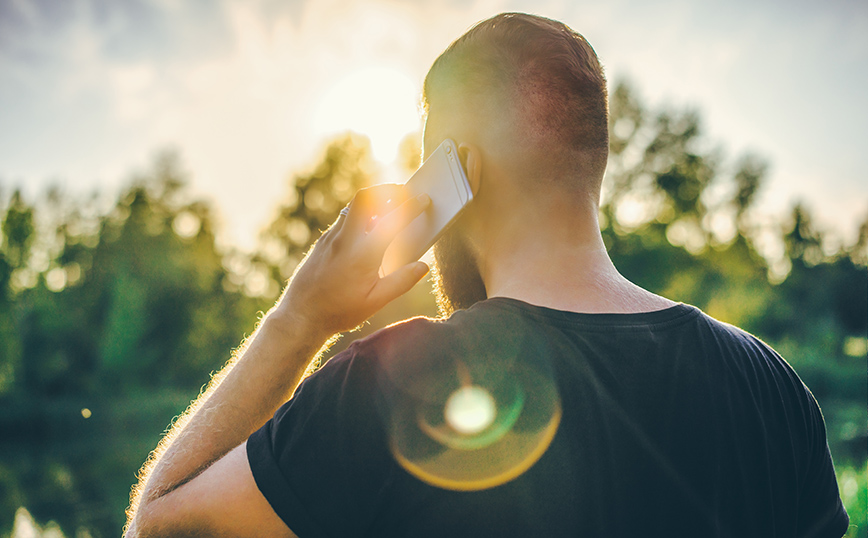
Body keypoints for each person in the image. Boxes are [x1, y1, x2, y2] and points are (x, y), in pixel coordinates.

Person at [124, 12, 849, 538]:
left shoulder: (391, 385)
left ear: (458, 171)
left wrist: (298, 319)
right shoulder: (773, 388)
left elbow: (158, 528)